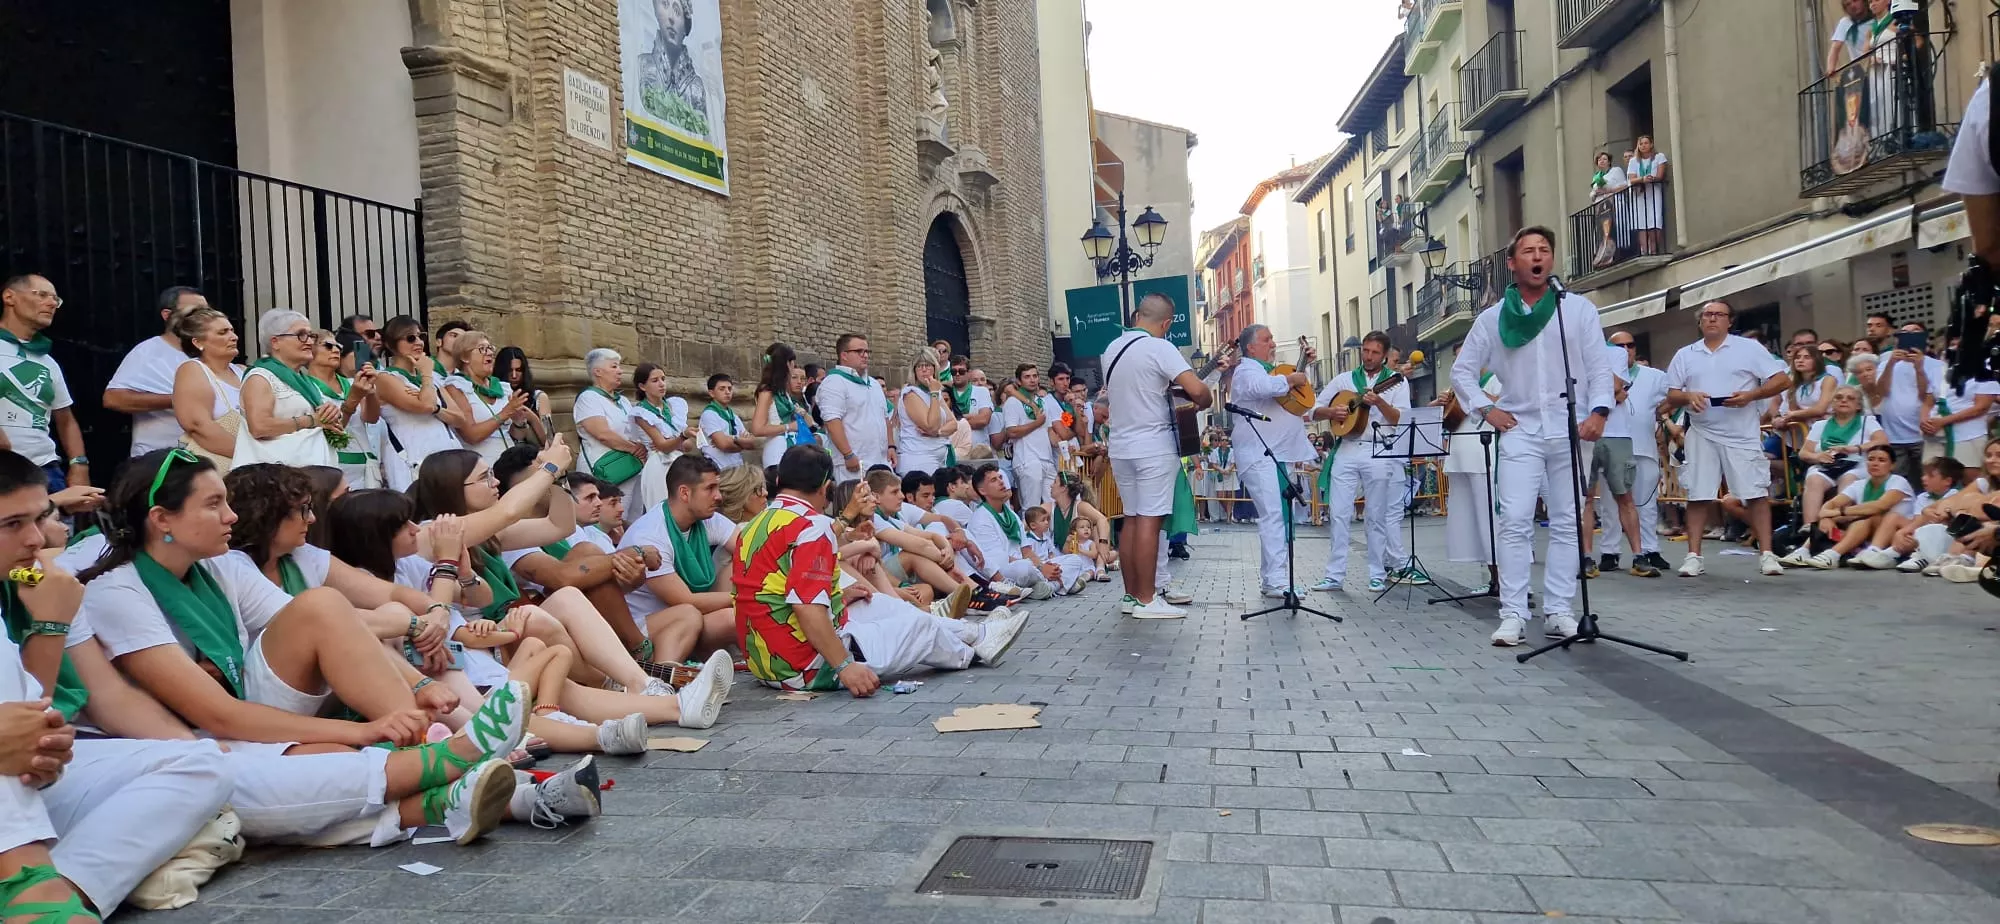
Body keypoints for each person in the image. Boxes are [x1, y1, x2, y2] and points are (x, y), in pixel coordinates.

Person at [733, 445, 1028, 695]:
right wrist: (845, 667)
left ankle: (978, 632)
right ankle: (975, 651)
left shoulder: (757, 524)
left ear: (781, 479)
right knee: (919, 628)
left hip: (766, 661)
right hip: (804, 666)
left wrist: (840, 592)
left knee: (884, 605)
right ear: (825, 488)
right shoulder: (813, 526)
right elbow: (807, 607)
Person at [1449, 227, 1617, 646]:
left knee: (1566, 521)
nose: (1537, 257)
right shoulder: (1492, 319)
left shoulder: (1576, 309)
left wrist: (1600, 411)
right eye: (1528, 251)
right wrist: (1487, 409)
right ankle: (1513, 613)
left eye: (1544, 250)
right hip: (1520, 428)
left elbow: (1599, 368)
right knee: (1515, 521)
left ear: (1551, 260)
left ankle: (1559, 610)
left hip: (1572, 426)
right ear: (1513, 263)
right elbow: (1461, 373)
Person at [1663, 301, 1791, 578]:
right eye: (1707, 315)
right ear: (1700, 322)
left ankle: (1767, 554)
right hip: (1702, 431)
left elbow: (1782, 380)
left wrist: (1750, 396)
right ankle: (1693, 556)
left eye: (1718, 315)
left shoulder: (1749, 348)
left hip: (1741, 430)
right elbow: (1672, 394)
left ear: (1729, 321)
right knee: (1698, 494)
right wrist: (1689, 397)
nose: (1712, 319)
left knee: (1755, 492)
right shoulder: (1686, 354)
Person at [1102, 292, 1209, 618]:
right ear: (1166, 323)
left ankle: (1132, 596)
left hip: (1121, 446)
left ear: (1136, 316)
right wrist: (1203, 398)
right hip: (1153, 446)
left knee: (1132, 520)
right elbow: (1198, 392)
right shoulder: (1161, 347)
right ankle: (1148, 599)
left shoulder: (1111, 348)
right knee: (1150, 520)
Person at [1310, 331, 1415, 594]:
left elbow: (1400, 419)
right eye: (1365, 351)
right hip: (1346, 448)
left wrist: (1379, 400)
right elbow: (1313, 410)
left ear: (1386, 355)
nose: (1368, 356)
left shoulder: (1396, 382)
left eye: (1374, 352)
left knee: (1376, 516)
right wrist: (1332, 412)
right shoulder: (1344, 380)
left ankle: (1377, 574)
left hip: (1378, 450)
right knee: (1339, 513)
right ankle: (1334, 575)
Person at [616, 455, 741, 666]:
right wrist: (749, 596)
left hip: (688, 615)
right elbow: (686, 600)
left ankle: (711, 656)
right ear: (684, 493)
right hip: (644, 629)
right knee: (730, 617)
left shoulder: (707, 519)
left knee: (741, 561)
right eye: (710, 488)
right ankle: (662, 677)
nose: (718, 496)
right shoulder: (650, 535)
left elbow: (749, 549)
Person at [1229, 325, 1317, 598]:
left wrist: (1301, 373)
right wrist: (1293, 379)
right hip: (1259, 455)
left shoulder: (1270, 371)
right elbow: (1262, 388)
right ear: (1251, 347)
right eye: (1267, 339)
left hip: (1278, 455)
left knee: (1280, 517)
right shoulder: (1246, 370)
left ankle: (1273, 578)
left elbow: (1297, 402)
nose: (1273, 343)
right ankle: (1277, 580)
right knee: (1273, 516)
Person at [1593, 334, 1671, 575]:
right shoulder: (1601, 371)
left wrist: (1659, 415)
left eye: (1630, 345)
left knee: (1645, 501)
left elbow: (1672, 398)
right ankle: (1610, 551)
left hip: (1643, 445)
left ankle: (1650, 549)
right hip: (1614, 442)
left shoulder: (1654, 376)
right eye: (1619, 346)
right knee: (1609, 501)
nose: (1626, 349)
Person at [105, 286, 209, 457]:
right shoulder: (148, 351)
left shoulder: (211, 353)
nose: (205, 318)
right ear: (167, 315)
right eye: (194, 311)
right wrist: (178, 400)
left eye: (208, 312)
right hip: (160, 460)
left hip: (209, 459)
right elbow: (114, 398)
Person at [236, 309, 341, 471]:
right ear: (275, 342)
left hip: (310, 472)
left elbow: (322, 419)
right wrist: (312, 420)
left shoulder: (306, 381)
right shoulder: (260, 377)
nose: (309, 342)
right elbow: (259, 427)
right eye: (301, 334)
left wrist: (332, 413)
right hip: (276, 476)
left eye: (311, 335)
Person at [1577, 343, 1647, 579]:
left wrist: (1604, 384)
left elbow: (1617, 385)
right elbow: (1611, 392)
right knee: (1584, 498)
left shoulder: (1615, 352)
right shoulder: (1570, 349)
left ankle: (1639, 556)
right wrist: (1610, 394)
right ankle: (1586, 558)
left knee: (1624, 496)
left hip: (1616, 433)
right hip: (1582, 430)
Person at [375, 316, 464, 491]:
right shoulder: (386, 378)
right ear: (392, 344)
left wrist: (437, 408)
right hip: (412, 452)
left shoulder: (431, 380)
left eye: (420, 336)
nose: (418, 342)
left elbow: (460, 419)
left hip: (444, 451)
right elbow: (425, 406)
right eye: (410, 338)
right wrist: (426, 377)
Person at [1795, 445, 1913, 569]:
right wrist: (1826, 518)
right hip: (1870, 531)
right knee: (1837, 520)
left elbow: (1878, 506)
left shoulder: (1898, 481)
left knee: (1864, 518)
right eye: (1871, 459)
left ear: (1892, 465)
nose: (1875, 463)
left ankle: (1833, 554)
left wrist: (1840, 512)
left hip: (1899, 533)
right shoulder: (1859, 484)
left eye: (1881, 460)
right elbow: (1830, 505)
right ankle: (1804, 552)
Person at [1442, 369, 1505, 590]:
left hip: (1484, 458)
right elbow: (1451, 417)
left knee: (1493, 522)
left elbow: (1506, 406)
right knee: (1476, 523)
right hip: (1462, 457)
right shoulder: (1462, 383)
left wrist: (1473, 393)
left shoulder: (1498, 377)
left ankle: (1509, 582)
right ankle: (1493, 580)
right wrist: (1444, 403)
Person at [572, 349, 651, 522]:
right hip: (605, 467)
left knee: (632, 515)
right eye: (614, 366)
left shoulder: (622, 401)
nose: (620, 371)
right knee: (606, 518)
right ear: (597, 371)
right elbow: (602, 433)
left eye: (619, 366)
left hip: (631, 467)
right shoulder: (588, 398)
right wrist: (634, 449)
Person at [166, 306, 246, 472]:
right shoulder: (192, 370)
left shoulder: (243, 371)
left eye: (232, 330)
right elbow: (198, 425)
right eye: (223, 332)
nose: (234, 337)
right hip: (219, 467)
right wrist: (250, 454)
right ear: (198, 342)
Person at [1866, 322, 1946, 484]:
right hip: (1894, 435)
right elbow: (1881, 392)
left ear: (1923, 338)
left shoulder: (1938, 365)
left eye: (1915, 332)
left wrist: (1918, 368)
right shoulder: (1885, 363)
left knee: (1927, 481)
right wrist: (1890, 364)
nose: (1909, 335)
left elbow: (1927, 395)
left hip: (1924, 434)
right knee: (1897, 482)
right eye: (1904, 333)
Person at [963, 463, 1056, 600]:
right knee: (1024, 567)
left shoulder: (1012, 515)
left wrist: (1042, 565)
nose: (1001, 482)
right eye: (994, 480)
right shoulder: (981, 518)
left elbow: (1027, 551)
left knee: (1074, 560)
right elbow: (998, 560)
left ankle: (1035, 588)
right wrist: (1041, 568)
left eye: (1000, 477)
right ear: (982, 491)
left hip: (1026, 566)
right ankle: (1052, 585)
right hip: (1004, 570)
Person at [305, 329, 383, 489]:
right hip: (333, 465)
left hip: (365, 464)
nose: (335, 350)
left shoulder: (349, 382)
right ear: (310, 349)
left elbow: (371, 418)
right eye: (327, 345)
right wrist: (352, 400)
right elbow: (331, 431)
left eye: (338, 347)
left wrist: (370, 391)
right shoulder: (307, 386)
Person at [440, 330, 524, 465]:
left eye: (490, 348)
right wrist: (505, 413)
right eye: (482, 349)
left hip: (509, 464)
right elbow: (471, 436)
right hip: (481, 465)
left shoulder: (502, 387)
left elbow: (515, 435)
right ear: (465, 357)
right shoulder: (456, 387)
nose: (490, 353)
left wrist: (519, 422)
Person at [820, 334, 893, 480]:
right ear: (844, 355)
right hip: (854, 462)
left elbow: (885, 418)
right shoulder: (834, 382)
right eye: (859, 351)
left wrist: (891, 446)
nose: (865, 355)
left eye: (867, 352)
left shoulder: (873, 384)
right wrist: (848, 454)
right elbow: (832, 422)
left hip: (881, 461)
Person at [631, 361, 699, 510]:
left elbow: (688, 446)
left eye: (663, 379)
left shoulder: (674, 406)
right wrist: (681, 437)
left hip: (679, 461)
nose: (661, 384)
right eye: (655, 381)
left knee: (685, 506)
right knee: (664, 508)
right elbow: (663, 447)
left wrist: (675, 441)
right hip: (659, 464)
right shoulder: (641, 412)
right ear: (642, 386)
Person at [998, 364, 1060, 510]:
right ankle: (1028, 533)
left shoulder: (1042, 402)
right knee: (1031, 508)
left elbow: (1049, 431)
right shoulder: (1012, 402)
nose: (1032, 380)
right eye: (1027, 377)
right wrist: (1037, 423)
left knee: (1054, 506)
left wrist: (1060, 444)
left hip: (1047, 460)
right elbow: (1011, 432)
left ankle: (1050, 534)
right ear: (1019, 381)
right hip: (1027, 460)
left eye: (1035, 376)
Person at [748, 343, 810, 471]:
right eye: (793, 363)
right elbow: (757, 428)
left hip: (791, 447)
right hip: (776, 449)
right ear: (787, 364)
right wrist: (789, 426)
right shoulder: (767, 391)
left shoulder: (783, 392)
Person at [897, 349, 957, 475]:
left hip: (940, 454)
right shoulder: (911, 393)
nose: (924, 370)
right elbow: (930, 425)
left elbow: (953, 424)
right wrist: (934, 394)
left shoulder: (934, 391)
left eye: (928, 365)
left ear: (935, 368)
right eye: (919, 366)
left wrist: (938, 432)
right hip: (920, 456)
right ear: (914, 371)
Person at [492, 346, 553, 447]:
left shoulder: (538, 397)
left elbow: (550, 440)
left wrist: (532, 418)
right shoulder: (494, 397)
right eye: (510, 370)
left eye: (519, 370)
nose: (514, 375)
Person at [698, 373, 757, 471]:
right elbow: (724, 444)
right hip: (718, 468)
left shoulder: (734, 416)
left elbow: (751, 443)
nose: (727, 392)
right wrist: (741, 442)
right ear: (711, 393)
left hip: (737, 467)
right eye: (722, 389)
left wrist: (732, 440)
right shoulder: (709, 414)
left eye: (729, 388)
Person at [1624, 135, 1669, 256]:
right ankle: (1644, 250)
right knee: (1642, 223)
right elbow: (1631, 179)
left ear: (1651, 144)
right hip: (1639, 194)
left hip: (1654, 193)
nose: (1643, 146)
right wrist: (1642, 179)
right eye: (1641, 144)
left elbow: (1660, 175)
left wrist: (1652, 178)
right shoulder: (1634, 161)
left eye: (1646, 143)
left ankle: (1654, 249)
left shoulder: (1659, 157)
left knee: (1655, 221)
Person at [1588, 152, 1629, 268]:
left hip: (1615, 204)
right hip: (1601, 209)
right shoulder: (1596, 176)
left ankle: (1620, 252)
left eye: (1604, 159)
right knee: (1604, 232)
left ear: (1609, 161)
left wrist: (1608, 190)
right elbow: (1592, 193)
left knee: (1617, 228)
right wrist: (1595, 193)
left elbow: (1624, 185)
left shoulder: (1616, 171)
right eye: (1599, 159)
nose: (1602, 161)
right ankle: (1606, 256)